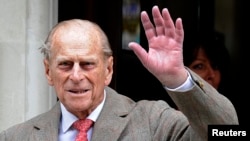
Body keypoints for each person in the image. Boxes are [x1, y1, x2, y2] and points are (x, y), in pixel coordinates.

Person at [0, 5, 238, 141]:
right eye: (64, 65)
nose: (75, 75)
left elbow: (227, 132)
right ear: (48, 72)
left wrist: (177, 78)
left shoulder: (153, 122)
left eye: (87, 64)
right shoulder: (15, 136)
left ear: (109, 70)